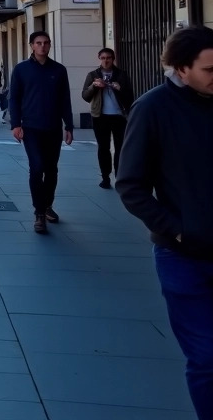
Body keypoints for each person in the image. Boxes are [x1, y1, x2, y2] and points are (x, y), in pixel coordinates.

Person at [117, 26, 213, 419]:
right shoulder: (153, 108)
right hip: (184, 256)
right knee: (207, 356)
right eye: (210, 69)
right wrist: (177, 229)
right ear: (180, 68)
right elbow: (131, 185)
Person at [8, 31, 73, 234]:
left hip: (53, 128)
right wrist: (15, 124)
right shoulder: (21, 70)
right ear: (31, 46)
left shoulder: (59, 70)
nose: (42, 46)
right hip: (31, 128)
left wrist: (69, 126)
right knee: (37, 168)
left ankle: (47, 206)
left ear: (50, 45)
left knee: (51, 169)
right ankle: (39, 213)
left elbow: (65, 99)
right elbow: (14, 98)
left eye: (46, 43)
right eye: (38, 43)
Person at [81, 47, 135, 189]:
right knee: (103, 148)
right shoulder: (93, 75)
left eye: (108, 58)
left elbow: (130, 96)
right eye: (103, 58)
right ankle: (105, 177)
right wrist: (94, 86)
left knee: (120, 147)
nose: (106, 61)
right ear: (99, 58)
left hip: (119, 116)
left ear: (113, 59)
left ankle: (119, 177)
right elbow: (85, 96)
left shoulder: (122, 75)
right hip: (100, 116)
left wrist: (120, 88)